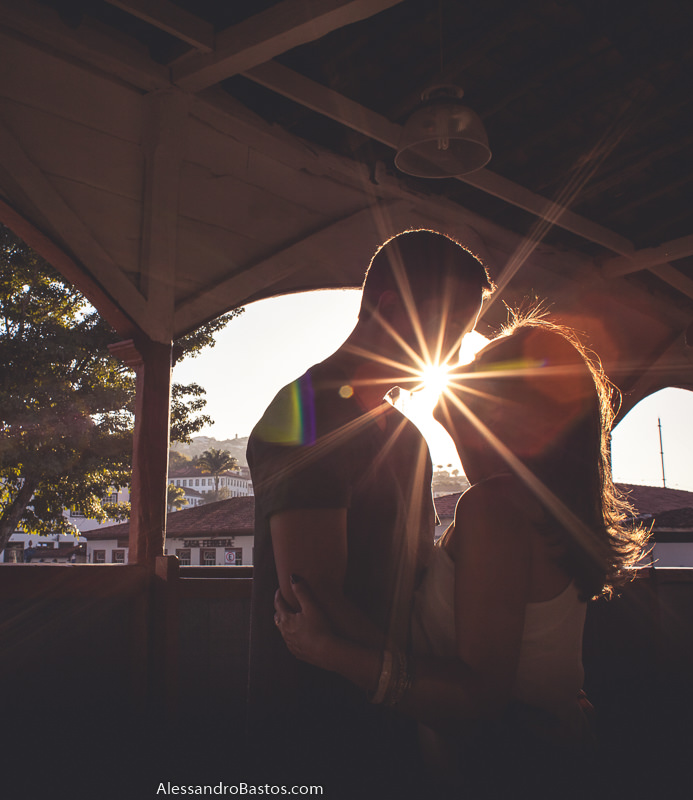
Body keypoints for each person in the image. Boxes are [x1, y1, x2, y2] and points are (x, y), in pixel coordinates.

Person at [273, 315, 650, 794]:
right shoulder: (533, 509)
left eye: (479, 362)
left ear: (508, 403)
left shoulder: (496, 507)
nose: (459, 362)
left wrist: (332, 652)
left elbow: (478, 698)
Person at [246, 229, 494, 787]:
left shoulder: (410, 439)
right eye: (450, 332)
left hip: (394, 723)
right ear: (387, 308)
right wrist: (430, 695)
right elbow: (314, 601)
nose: (455, 355)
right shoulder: (301, 412)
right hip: (311, 730)